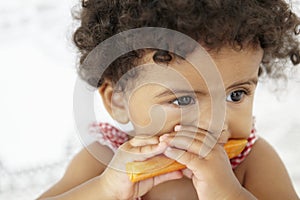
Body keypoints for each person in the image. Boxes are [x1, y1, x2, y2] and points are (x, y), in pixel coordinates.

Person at [38, 0, 300, 199]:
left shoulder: (251, 161)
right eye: (182, 101)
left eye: (236, 95)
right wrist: (105, 189)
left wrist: (229, 193)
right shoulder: (103, 159)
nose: (214, 123)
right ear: (118, 101)